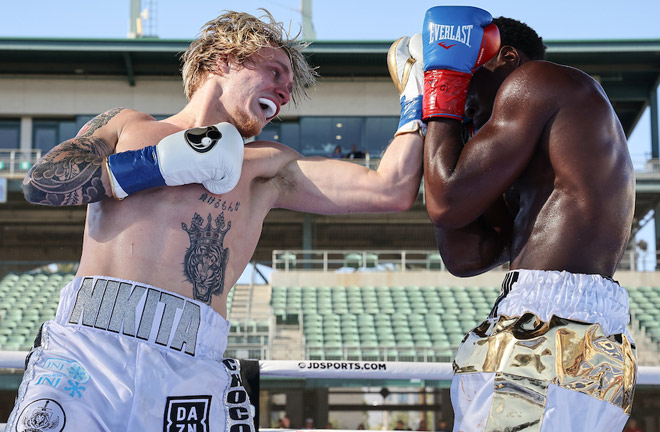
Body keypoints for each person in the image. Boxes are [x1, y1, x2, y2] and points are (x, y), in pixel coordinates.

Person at [9, 9, 424, 431]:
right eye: (275, 72)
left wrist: (419, 98)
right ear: (224, 58)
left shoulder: (267, 165)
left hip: (190, 363)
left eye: (288, 89)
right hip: (86, 349)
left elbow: (390, 190)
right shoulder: (128, 125)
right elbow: (42, 184)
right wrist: (159, 164)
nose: (283, 93)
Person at [418, 6, 637, 432]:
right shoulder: (556, 158)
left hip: (545, 330)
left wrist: (440, 91)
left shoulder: (537, 81)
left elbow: (445, 201)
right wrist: (441, 124)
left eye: (472, 95)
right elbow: (464, 255)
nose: (470, 115)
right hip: (588, 343)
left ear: (507, 58)